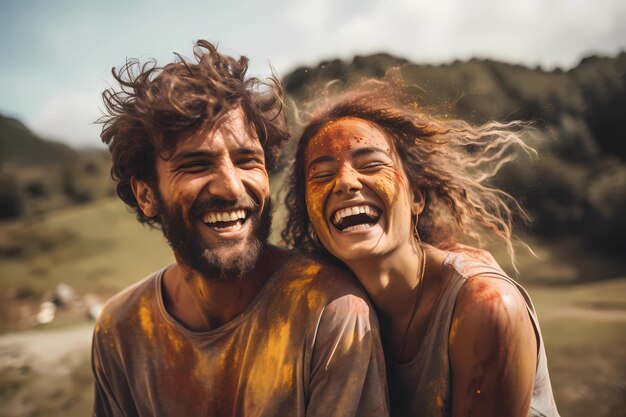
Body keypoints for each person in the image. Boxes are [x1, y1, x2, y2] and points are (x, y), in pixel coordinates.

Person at [92, 40, 389, 417]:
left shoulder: (329, 312)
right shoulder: (122, 328)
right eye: (196, 165)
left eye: (247, 160)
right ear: (147, 194)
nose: (231, 187)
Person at [282, 83, 560, 417]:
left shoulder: (486, 306)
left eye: (371, 165)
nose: (344, 182)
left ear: (417, 197)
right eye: (322, 174)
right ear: (310, 215)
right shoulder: (329, 313)